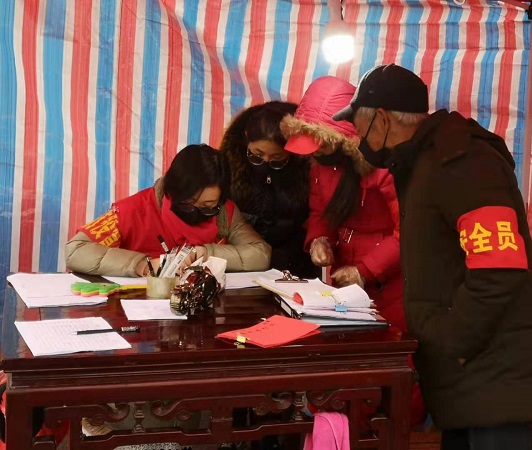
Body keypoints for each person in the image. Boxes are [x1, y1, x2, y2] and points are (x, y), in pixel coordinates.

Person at [333, 64, 532, 449]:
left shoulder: (463, 162)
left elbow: (499, 269)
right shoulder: (422, 162)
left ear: (383, 119)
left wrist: (453, 342)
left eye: (360, 130)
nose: (360, 142)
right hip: (466, 375)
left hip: (492, 373)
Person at [281, 75, 426, 427]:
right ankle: (343, 434)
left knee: (394, 363)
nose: (315, 153)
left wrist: (367, 270)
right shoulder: (320, 166)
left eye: (320, 145)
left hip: (393, 283)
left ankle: (399, 434)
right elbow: (320, 213)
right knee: (347, 362)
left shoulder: (385, 166)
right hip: (346, 280)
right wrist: (318, 240)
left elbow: (410, 230)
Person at [66, 144, 271, 276]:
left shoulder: (225, 214)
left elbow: (260, 254)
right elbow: (76, 250)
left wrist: (206, 253)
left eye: (208, 208)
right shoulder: (134, 210)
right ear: (171, 190)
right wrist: (142, 265)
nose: (196, 212)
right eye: (188, 204)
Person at [220, 101, 319, 279]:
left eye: (277, 158)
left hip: (295, 263)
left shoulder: (307, 169)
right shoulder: (228, 164)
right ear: (246, 138)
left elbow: (314, 218)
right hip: (243, 262)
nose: (265, 161)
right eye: (257, 155)